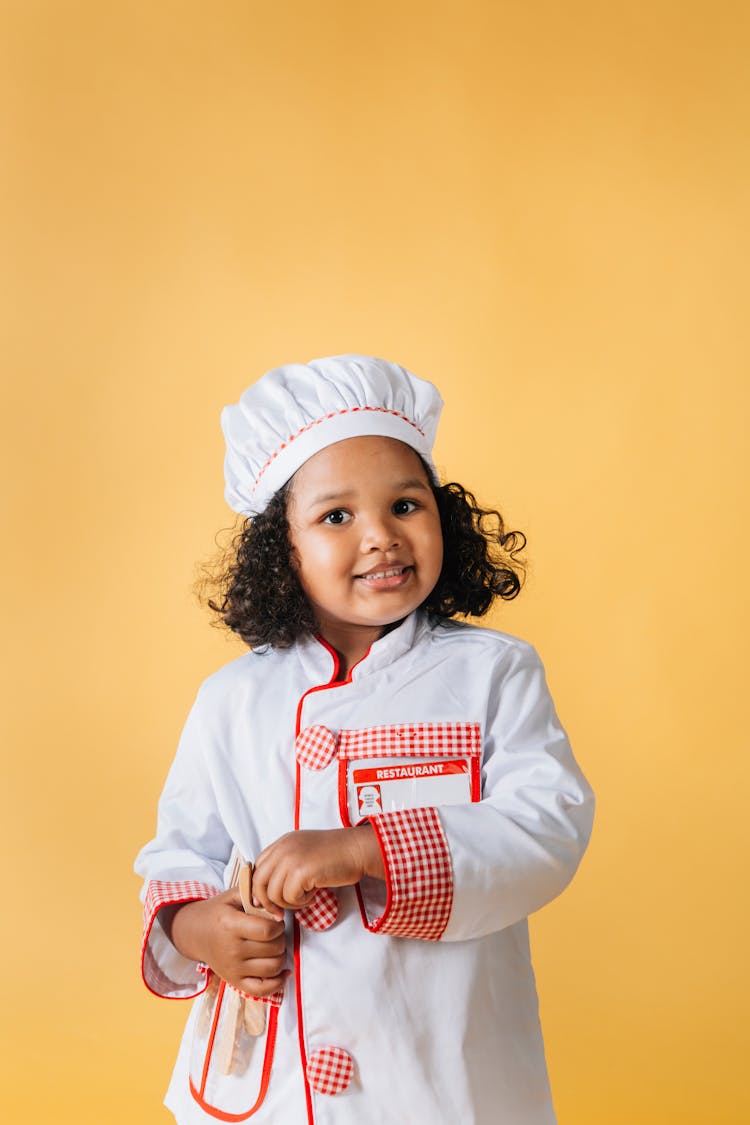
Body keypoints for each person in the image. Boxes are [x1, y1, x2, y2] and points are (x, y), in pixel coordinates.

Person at [135, 354, 595, 1125]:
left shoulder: (493, 673)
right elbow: (179, 853)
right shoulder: (230, 701)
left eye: (406, 504)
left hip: (440, 1073)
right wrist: (200, 926)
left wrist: (365, 848)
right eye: (336, 516)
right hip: (272, 1078)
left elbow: (546, 826)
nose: (381, 536)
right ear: (283, 550)